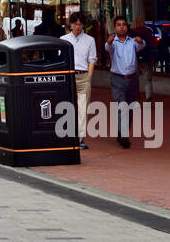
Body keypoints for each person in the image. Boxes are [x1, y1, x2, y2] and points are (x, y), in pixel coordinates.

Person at [104, 16, 145, 148]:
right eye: (118, 25)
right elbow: (107, 47)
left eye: (124, 25)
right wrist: (109, 42)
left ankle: (122, 132)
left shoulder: (133, 42)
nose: (121, 27)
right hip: (118, 79)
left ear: (127, 27)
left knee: (131, 107)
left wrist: (141, 40)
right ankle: (124, 136)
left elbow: (143, 45)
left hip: (132, 79)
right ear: (114, 27)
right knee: (122, 106)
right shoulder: (113, 43)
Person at [62, 12, 97, 148]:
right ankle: (68, 136)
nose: (77, 27)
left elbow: (92, 60)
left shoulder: (90, 40)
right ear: (70, 24)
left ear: (83, 25)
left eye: (80, 24)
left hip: (83, 77)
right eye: (75, 24)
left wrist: (89, 77)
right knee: (67, 107)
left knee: (83, 109)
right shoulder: (63, 39)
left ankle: (80, 139)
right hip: (68, 77)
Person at [130, 15, 157, 102]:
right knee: (147, 79)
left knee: (135, 80)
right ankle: (148, 96)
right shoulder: (147, 32)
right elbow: (153, 44)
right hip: (146, 57)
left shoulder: (130, 33)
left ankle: (136, 98)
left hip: (134, 58)